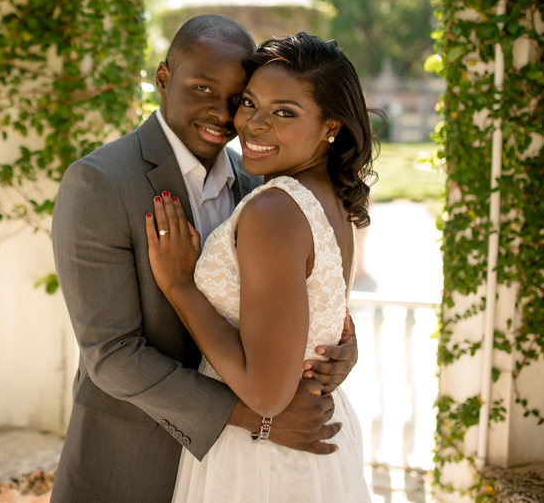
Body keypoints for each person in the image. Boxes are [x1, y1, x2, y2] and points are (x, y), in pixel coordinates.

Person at [51, 17, 359, 503]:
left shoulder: (263, 180)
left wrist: (338, 349)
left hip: (238, 471)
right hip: (134, 459)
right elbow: (110, 356)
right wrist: (261, 419)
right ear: (163, 78)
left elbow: (294, 292)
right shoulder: (99, 183)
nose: (224, 113)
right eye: (202, 88)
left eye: (238, 97)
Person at [145, 32, 378, 502]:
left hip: (262, 457)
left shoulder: (274, 212)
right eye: (249, 103)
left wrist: (179, 287)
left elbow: (267, 396)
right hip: (318, 444)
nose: (254, 124)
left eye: (285, 113)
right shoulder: (331, 197)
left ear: (331, 126)